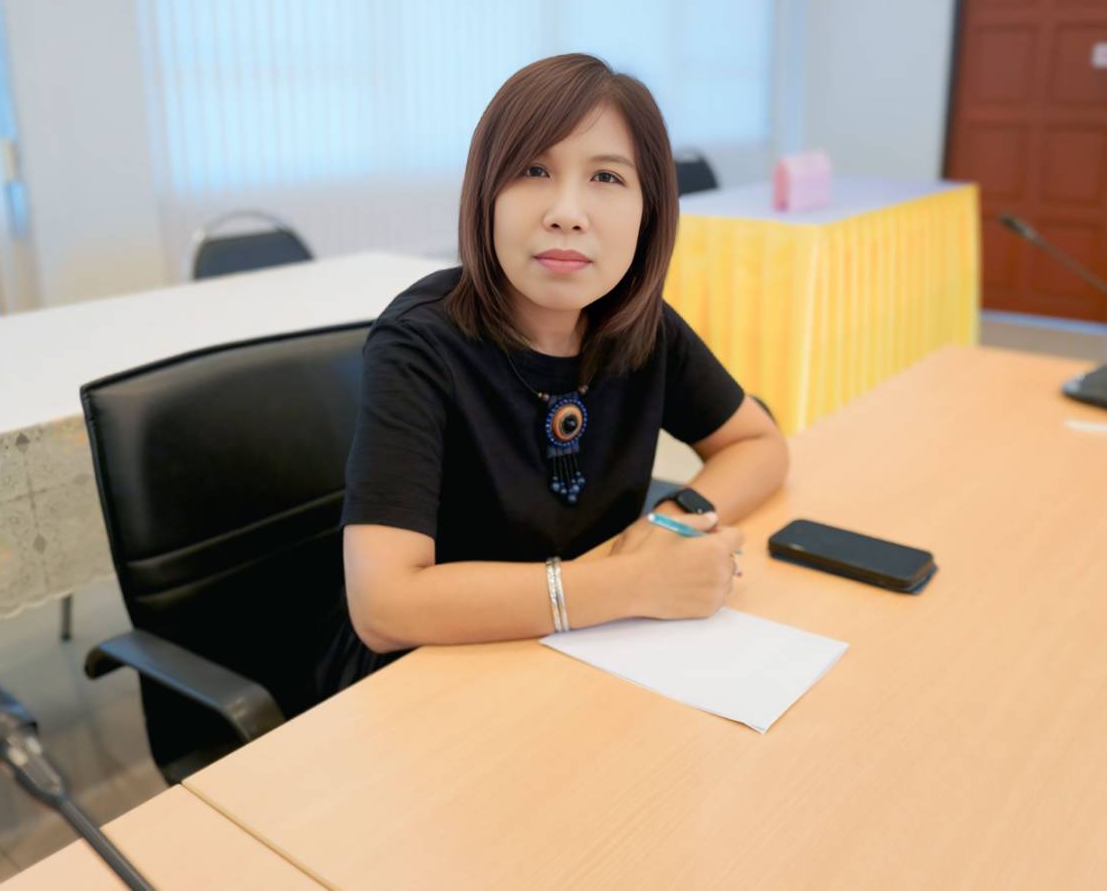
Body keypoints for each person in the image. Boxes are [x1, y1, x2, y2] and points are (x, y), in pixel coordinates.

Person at [322, 53, 789, 693]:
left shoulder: (641, 326)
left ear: (649, 211)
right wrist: (634, 583)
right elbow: (384, 608)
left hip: (587, 654)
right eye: (533, 170)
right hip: (432, 676)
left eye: (607, 177)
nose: (567, 212)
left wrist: (671, 519)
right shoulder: (418, 344)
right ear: (486, 195)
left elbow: (758, 444)